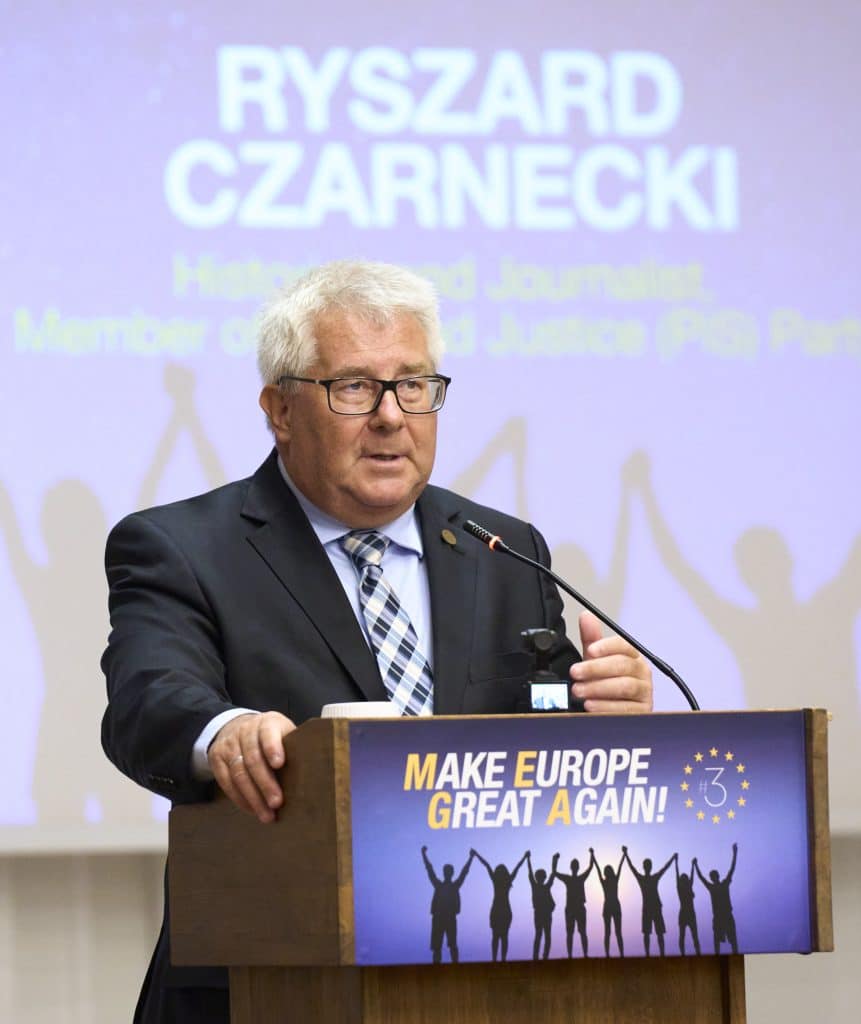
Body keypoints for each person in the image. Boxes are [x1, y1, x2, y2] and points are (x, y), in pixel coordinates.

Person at [101, 260, 654, 1023]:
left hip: (492, 980)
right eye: (355, 387)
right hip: (269, 984)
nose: (392, 416)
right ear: (280, 409)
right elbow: (147, 700)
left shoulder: (501, 548)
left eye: (414, 385)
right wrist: (224, 732)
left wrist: (604, 715)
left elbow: (540, 735)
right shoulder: (183, 548)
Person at [472, 849, 529, 962]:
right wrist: (524, 857)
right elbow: (517, 867)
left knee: (497, 936)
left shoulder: (497, 880)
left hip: (499, 910)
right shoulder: (506, 880)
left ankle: (497, 959)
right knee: (503, 936)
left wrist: (476, 854)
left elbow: (487, 865)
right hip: (503, 910)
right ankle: (501, 959)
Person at [420, 846, 474, 963]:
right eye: (446, 871)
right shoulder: (440, 886)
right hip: (439, 918)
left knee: (452, 945)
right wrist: (424, 855)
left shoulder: (451, 886)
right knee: (438, 947)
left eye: (448, 871)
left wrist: (470, 858)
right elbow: (429, 869)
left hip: (449, 918)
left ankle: (455, 967)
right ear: (445, 873)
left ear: (450, 873)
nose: (447, 873)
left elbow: (464, 872)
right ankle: (437, 968)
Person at [621, 846, 675, 956]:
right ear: (647, 867)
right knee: (648, 933)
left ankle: (659, 953)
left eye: (648, 865)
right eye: (647, 865)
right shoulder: (645, 879)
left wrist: (672, 859)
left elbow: (664, 868)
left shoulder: (651, 878)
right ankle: (649, 954)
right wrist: (626, 854)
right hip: (649, 908)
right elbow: (632, 868)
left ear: (648, 867)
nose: (647, 867)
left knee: (658, 932)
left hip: (655, 907)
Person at [694, 843, 739, 955]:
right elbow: (701, 878)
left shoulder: (721, 885)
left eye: (713, 876)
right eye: (712, 876)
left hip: (726, 916)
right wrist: (696, 866)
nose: (712, 878)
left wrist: (735, 853)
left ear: (716, 876)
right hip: (720, 917)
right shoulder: (715, 887)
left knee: (731, 941)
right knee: (719, 942)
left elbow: (732, 869)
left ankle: (733, 955)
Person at [554, 853, 594, 957]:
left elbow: (590, 867)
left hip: (579, 908)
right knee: (571, 933)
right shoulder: (570, 879)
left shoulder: (578, 878)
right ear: (573, 867)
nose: (575, 867)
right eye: (574, 865)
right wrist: (555, 859)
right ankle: (571, 955)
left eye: (575, 865)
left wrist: (591, 854)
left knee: (581, 932)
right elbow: (554, 872)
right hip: (571, 908)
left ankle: (584, 955)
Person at [526, 851, 560, 960]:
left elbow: (552, 875)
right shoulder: (537, 886)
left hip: (544, 913)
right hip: (541, 913)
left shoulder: (542, 887)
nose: (541, 878)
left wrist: (555, 860)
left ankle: (543, 956)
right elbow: (531, 873)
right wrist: (528, 859)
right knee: (541, 935)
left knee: (543, 935)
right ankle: (538, 956)